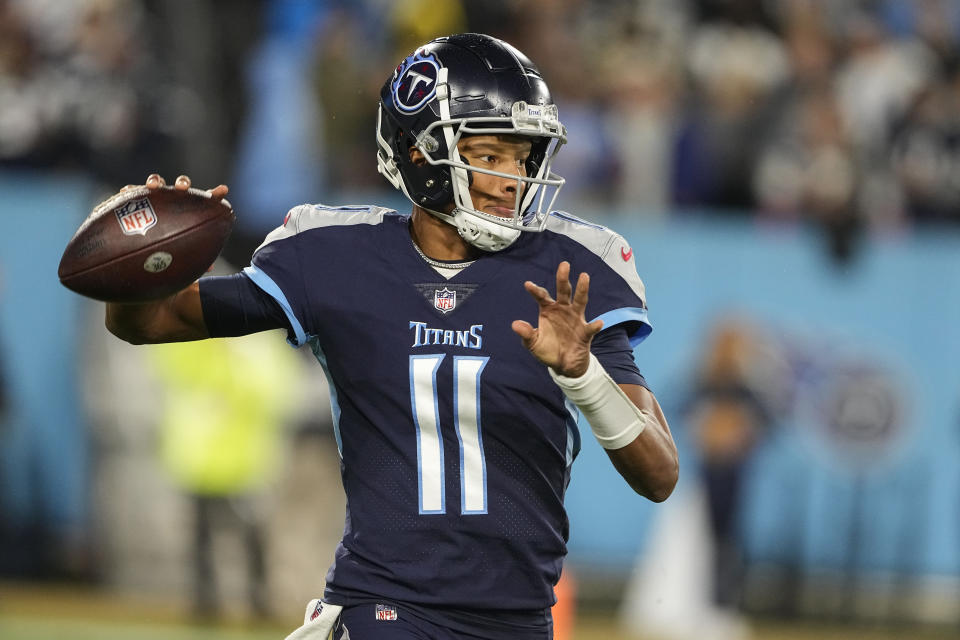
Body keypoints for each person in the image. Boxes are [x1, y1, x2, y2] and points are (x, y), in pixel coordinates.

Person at [104, 33, 678, 640]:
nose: (513, 178)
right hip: (385, 606)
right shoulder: (332, 257)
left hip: (519, 619)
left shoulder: (569, 271)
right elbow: (147, 323)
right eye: (490, 154)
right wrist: (136, 258)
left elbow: (659, 475)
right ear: (420, 154)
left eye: (524, 157)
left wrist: (584, 376)